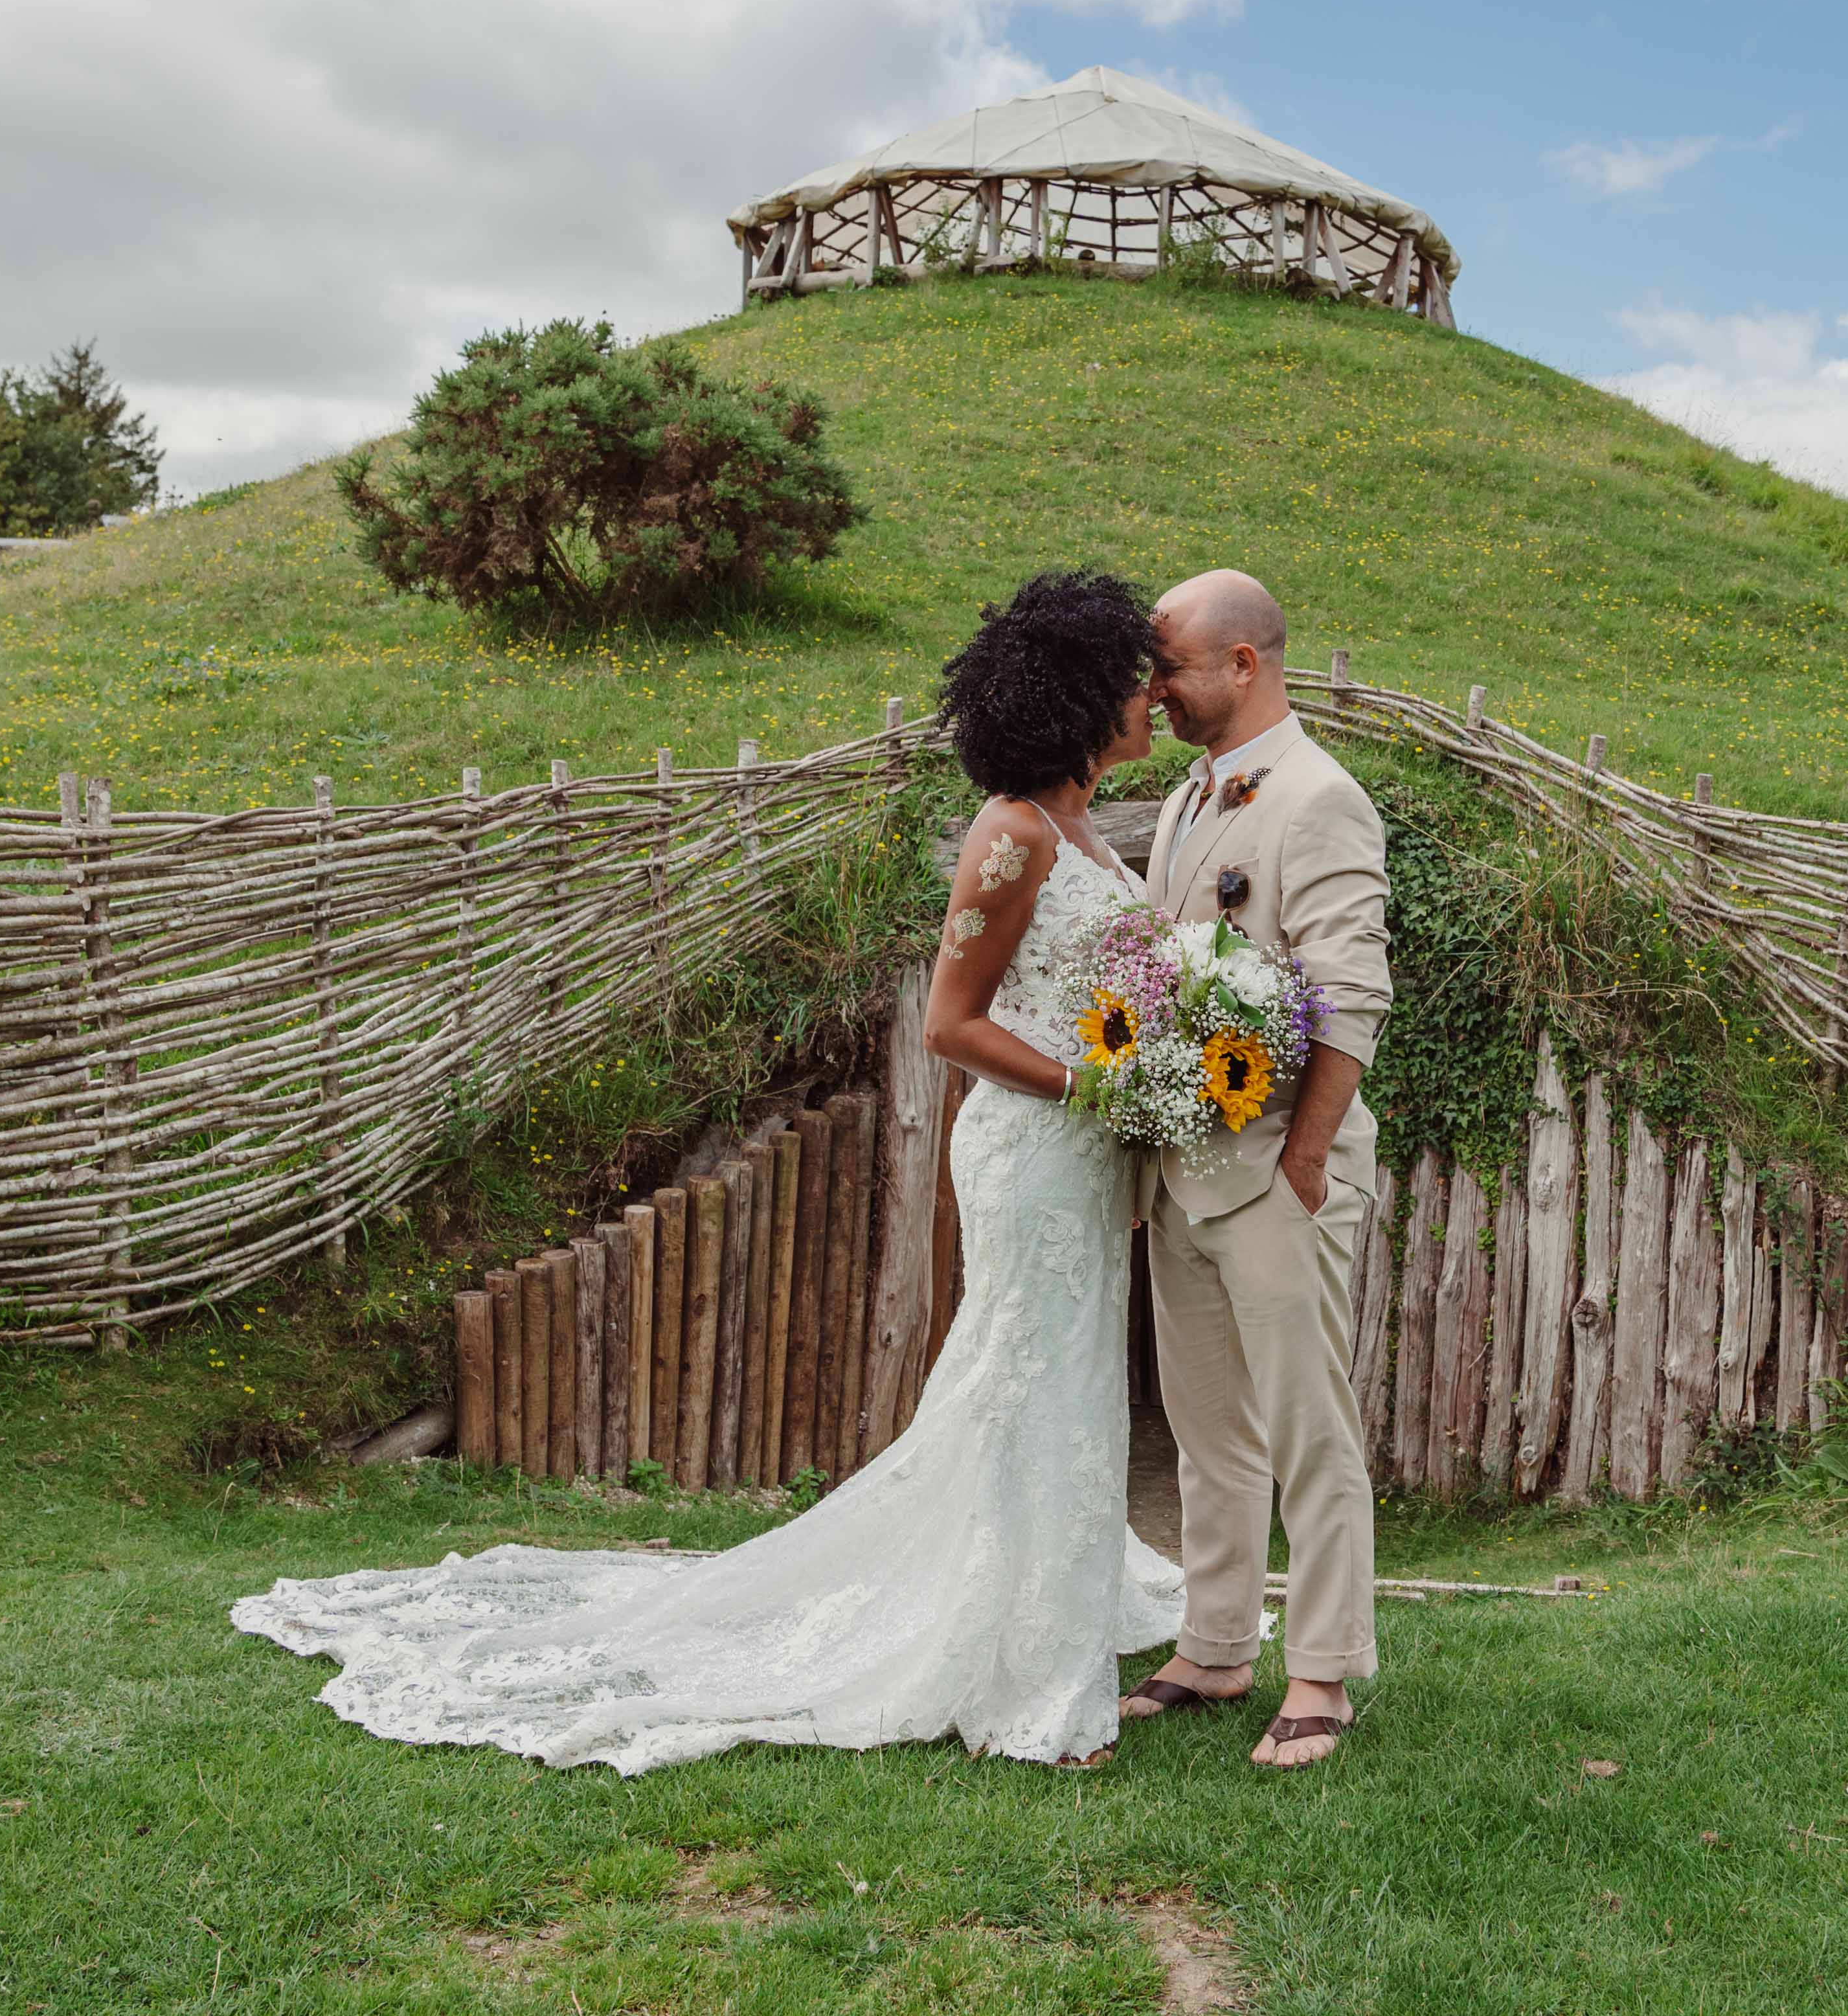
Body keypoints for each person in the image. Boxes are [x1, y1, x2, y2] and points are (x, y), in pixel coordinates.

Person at [230, 569, 1185, 1773]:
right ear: (1080, 694)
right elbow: (950, 1024)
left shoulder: (1089, 828)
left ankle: (1046, 1612)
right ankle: (1025, 1679)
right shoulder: (1011, 831)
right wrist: (1093, 1085)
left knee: (1058, 1380)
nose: (1152, 697)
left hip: (1082, 1159)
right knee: (1025, 1379)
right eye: (1132, 679)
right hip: (1033, 1149)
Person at [1119, 569, 1391, 1771]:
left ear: (1243, 664)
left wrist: (1307, 1156)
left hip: (1280, 1166)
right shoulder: (1187, 795)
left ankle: (1323, 1669)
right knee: (1206, 1427)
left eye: (1168, 668)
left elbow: (1348, 992)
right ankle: (1216, 1644)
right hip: (1186, 1161)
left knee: (1306, 1424)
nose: (1154, 693)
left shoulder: (1319, 798)